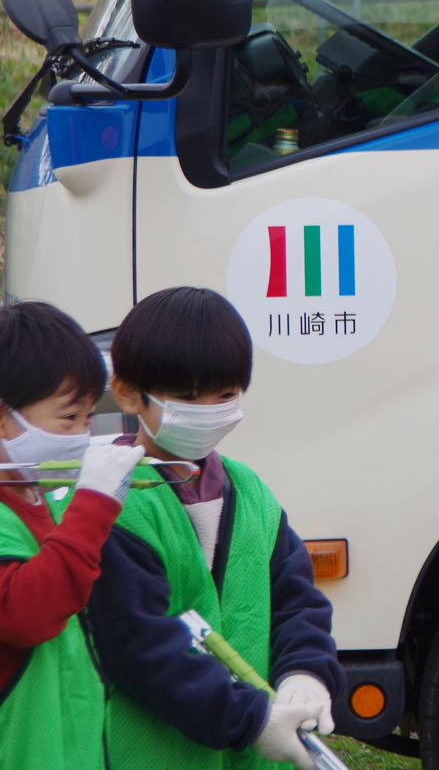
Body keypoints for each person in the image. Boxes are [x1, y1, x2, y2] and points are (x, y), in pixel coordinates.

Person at [86, 286, 344, 770]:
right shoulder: (111, 504)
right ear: (125, 392)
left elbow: (298, 602)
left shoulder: (250, 493)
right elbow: (140, 647)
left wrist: (305, 673)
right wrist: (249, 721)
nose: (208, 409)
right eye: (186, 397)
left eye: (224, 395)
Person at [0, 300, 145, 769]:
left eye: (88, 418)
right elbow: (28, 615)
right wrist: (96, 502)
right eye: (68, 418)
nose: (82, 435)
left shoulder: (37, 498)